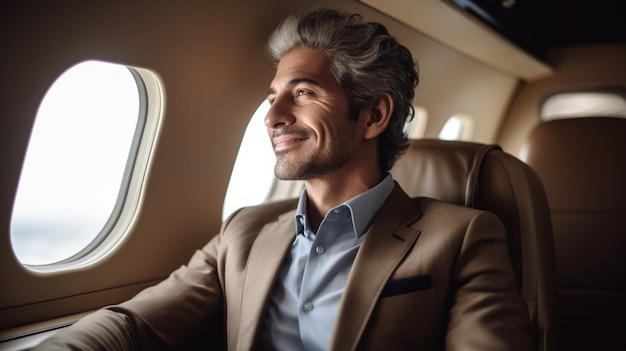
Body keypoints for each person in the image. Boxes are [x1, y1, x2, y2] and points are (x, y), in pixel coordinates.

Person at [35, 8, 533, 351]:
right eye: (272, 95)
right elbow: (136, 325)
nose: (271, 115)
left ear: (373, 116)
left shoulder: (464, 236)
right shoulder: (244, 233)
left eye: (302, 92)